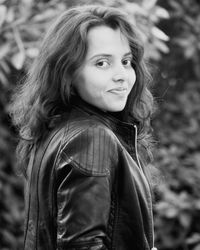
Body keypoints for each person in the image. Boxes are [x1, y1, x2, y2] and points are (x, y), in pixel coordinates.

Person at [9, 4, 157, 250]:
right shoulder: (90, 138)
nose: (122, 75)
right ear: (68, 72)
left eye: (126, 61)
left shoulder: (55, 129)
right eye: (102, 63)